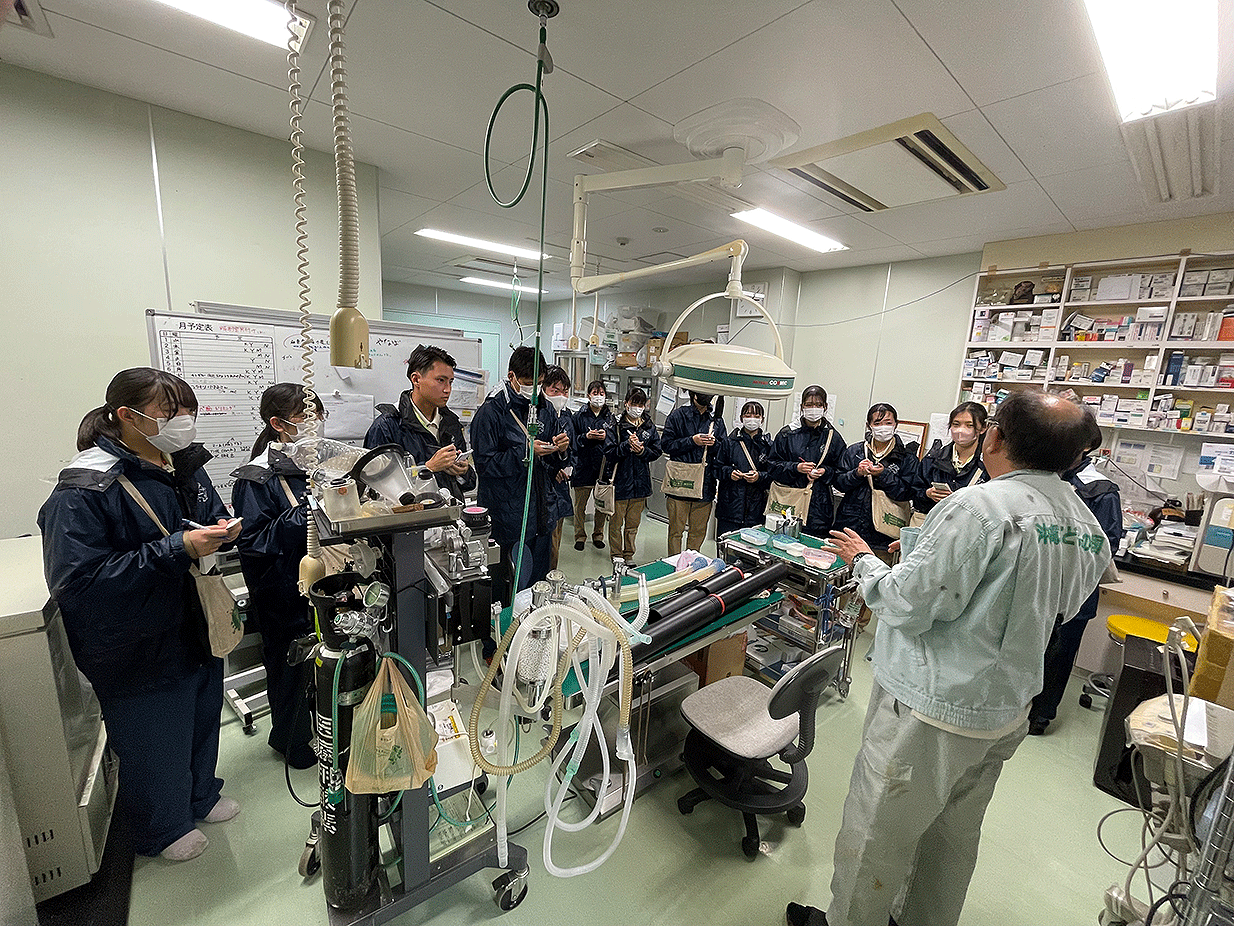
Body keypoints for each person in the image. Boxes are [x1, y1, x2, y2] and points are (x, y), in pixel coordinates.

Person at [788, 391, 1110, 926]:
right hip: (1005, 707)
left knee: (878, 833)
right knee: (953, 837)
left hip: (931, 710)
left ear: (994, 437)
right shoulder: (1082, 521)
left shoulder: (978, 507)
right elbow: (1064, 604)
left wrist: (865, 563)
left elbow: (906, 604)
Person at [38, 368, 244, 862]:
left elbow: (205, 514)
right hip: (134, 639)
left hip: (195, 619)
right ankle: (162, 827)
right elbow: (79, 581)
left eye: (188, 411)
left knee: (201, 715)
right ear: (127, 417)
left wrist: (220, 529)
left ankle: (200, 795)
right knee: (153, 733)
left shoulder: (184, 465)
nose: (183, 422)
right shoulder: (86, 488)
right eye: (169, 413)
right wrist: (178, 548)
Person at [231, 384, 324, 770]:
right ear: (278, 424)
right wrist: (306, 513)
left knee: (324, 666)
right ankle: (292, 743)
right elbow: (253, 542)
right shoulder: (256, 478)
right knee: (291, 671)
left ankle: (325, 735)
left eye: (319, 416)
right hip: (281, 591)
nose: (315, 425)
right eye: (305, 417)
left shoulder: (316, 465)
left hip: (320, 584)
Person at [1029, 410, 1123, 735]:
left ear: (1084, 445)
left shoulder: (1099, 489)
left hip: (1074, 592)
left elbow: (1105, 547)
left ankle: (1040, 716)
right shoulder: (1043, 477)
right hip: (1036, 586)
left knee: (1058, 655)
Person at [471, 346, 567, 598]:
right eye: (527, 383)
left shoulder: (544, 408)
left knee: (538, 585)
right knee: (509, 587)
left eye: (539, 383)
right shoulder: (492, 412)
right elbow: (484, 465)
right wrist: (525, 452)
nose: (534, 390)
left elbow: (552, 465)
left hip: (541, 513)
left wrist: (560, 450)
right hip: (507, 516)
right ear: (511, 376)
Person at [364, 344, 474, 501]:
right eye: (441, 380)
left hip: (449, 512)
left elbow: (468, 484)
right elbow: (376, 488)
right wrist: (428, 468)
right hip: (413, 514)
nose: (448, 389)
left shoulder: (451, 422)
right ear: (416, 379)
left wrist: (463, 472)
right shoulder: (387, 426)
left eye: (450, 382)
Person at [833, 403, 919, 551]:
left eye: (888, 423)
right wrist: (857, 473)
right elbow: (839, 483)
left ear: (896, 424)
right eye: (877, 423)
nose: (883, 427)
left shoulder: (907, 458)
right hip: (850, 525)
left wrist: (883, 475)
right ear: (869, 425)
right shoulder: (855, 451)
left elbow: (908, 493)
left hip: (884, 533)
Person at [767, 385, 847, 537]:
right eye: (809, 405)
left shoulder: (833, 438)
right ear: (802, 406)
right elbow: (772, 466)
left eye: (818, 405)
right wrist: (796, 468)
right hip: (788, 504)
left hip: (819, 510)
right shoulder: (787, 434)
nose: (813, 409)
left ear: (825, 407)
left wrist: (825, 472)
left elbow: (842, 473)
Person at [660, 391, 727, 556]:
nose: (706, 395)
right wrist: (692, 441)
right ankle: (674, 564)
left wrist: (714, 444)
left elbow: (724, 451)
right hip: (679, 485)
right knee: (675, 531)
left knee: (697, 533)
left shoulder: (716, 420)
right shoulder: (678, 416)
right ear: (693, 393)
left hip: (705, 486)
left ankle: (691, 564)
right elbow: (666, 445)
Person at [604, 387, 662, 565]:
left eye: (641, 404)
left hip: (640, 483)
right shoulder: (615, 425)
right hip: (620, 483)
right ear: (626, 404)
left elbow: (656, 451)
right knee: (616, 523)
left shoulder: (649, 426)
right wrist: (626, 446)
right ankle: (616, 554)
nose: (637, 408)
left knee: (633, 524)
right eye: (634, 403)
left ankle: (628, 554)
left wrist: (642, 451)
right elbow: (609, 452)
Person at [914, 401, 988, 517]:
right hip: (934, 521)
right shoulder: (933, 458)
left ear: (983, 428)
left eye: (969, 425)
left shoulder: (988, 463)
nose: (960, 430)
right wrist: (927, 494)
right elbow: (914, 492)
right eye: (956, 424)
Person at [714, 400, 772, 547]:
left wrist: (759, 476)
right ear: (741, 418)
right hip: (730, 508)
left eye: (756, 416)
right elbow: (716, 468)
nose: (752, 419)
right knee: (725, 548)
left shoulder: (767, 446)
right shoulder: (729, 442)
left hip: (756, 510)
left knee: (751, 551)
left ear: (762, 419)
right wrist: (729, 473)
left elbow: (773, 475)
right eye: (748, 415)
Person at [570, 380, 615, 551]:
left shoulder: (610, 418)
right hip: (583, 466)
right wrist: (586, 437)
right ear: (589, 395)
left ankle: (598, 535)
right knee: (579, 507)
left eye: (601, 393)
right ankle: (580, 536)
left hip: (602, 468)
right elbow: (572, 440)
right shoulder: (579, 416)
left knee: (601, 506)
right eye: (595, 393)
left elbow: (615, 441)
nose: (598, 397)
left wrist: (606, 437)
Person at [541, 365, 575, 570]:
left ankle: (551, 577)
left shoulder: (567, 418)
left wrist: (568, 465)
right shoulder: (536, 415)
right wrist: (552, 468)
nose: (561, 396)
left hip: (560, 489)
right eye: (555, 390)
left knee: (555, 542)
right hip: (539, 487)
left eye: (565, 391)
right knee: (539, 544)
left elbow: (574, 451)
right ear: (543, 388)